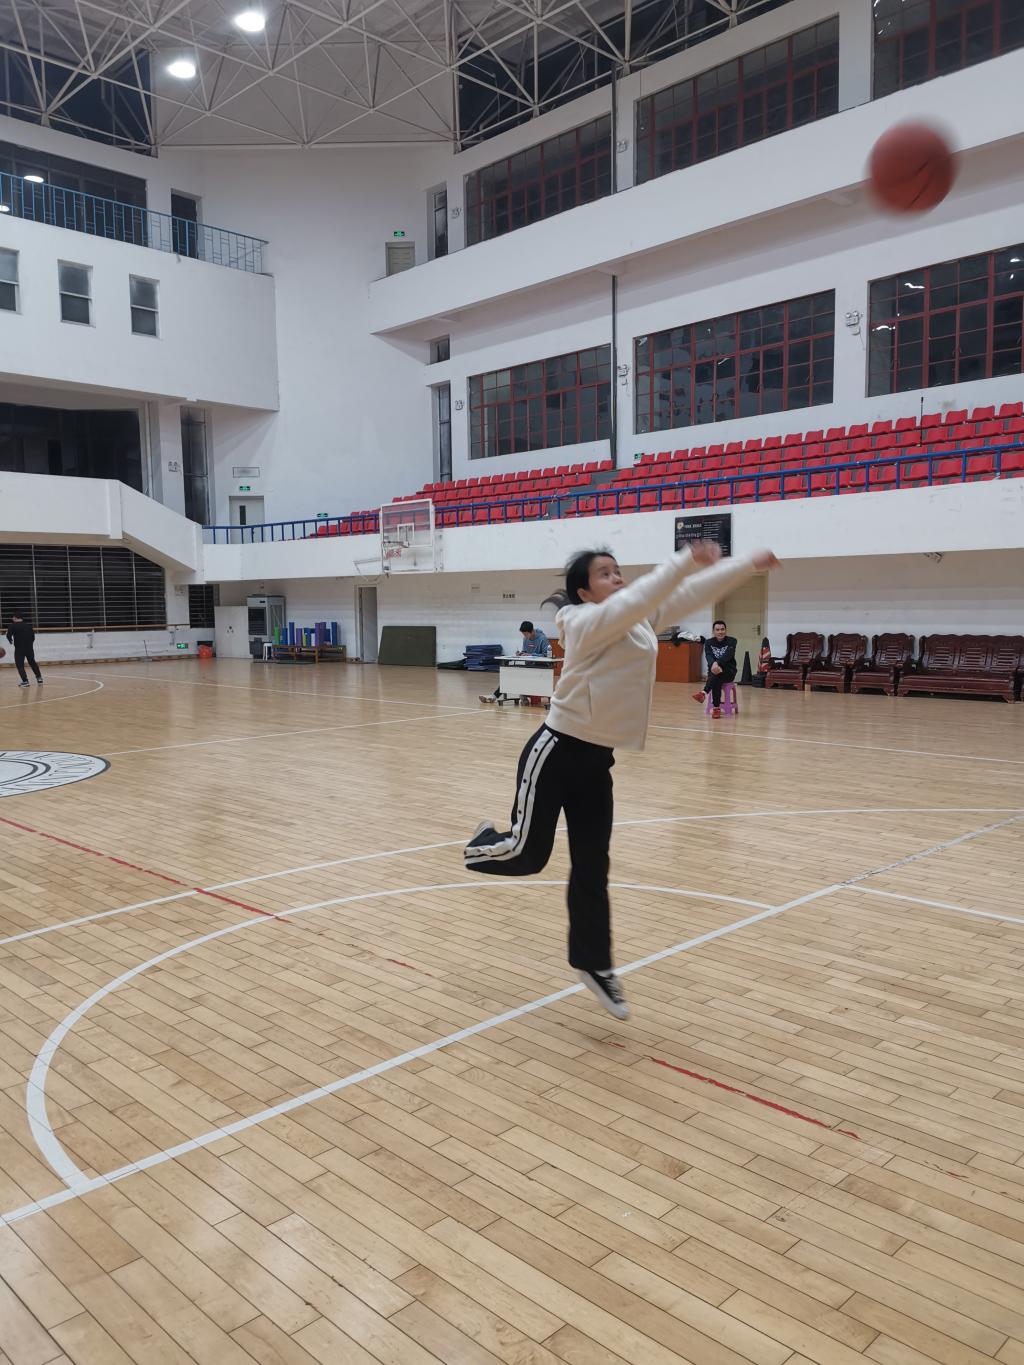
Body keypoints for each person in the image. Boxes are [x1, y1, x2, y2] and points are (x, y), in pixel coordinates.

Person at [464, 541, 779, 1019]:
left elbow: (690, 594)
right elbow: (642, 596)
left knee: (593, 869)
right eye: (605, 573)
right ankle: (480, 843)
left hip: (597, 763)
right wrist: (683, 559)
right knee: (528, 857)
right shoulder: (579, 622)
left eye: (618, 571)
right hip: (555, 752)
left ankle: (594, 965)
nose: (617, 578)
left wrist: (746, 566)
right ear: (583, 591)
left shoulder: (637, 621)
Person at [479, 619, 551, 703]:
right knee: (511, 674)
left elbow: (547, 655)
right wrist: (521, 653)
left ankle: (523, 696)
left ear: (531, 631)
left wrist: (531, 655)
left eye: (526, 634)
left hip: (539, 666)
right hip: (528, 664)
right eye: (523, 634)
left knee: (522, 675)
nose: (524, 636)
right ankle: (494, 696)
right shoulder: (525, 639)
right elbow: (525, 651)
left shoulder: (543, 639)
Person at [693, 619, 737, 717]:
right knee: (717, 676)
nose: (720, 632)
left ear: (725, 630)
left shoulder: (732, 641)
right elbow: (708, 655)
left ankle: (705, 694)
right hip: (714, 671)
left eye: (722, 629)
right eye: (717, 630)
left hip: (729, 671)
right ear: (713, 631)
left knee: (717, 674)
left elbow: (728, 655)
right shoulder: (708, 642)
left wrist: (716, 663)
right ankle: (715, 708)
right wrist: (713, 664)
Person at [6, 611, 42, 688]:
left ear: (15, 617)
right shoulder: (29, 626)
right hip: (29, 648)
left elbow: (8, 636)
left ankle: (25, 681)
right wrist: (29, 644)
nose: (12, 618)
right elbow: (33, 638)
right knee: (32, 662)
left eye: (13, 617)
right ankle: (39, 678)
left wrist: (11, 641)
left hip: (19, 649)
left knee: (20, 665)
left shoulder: (12, 626)